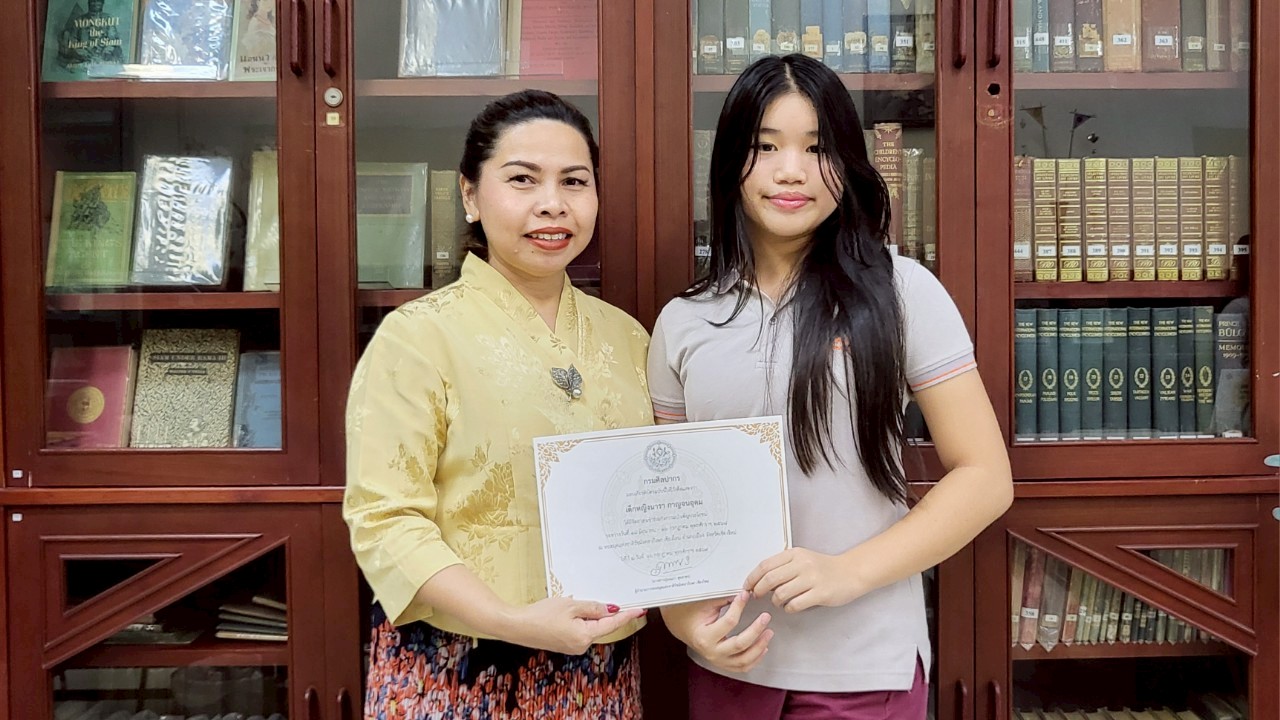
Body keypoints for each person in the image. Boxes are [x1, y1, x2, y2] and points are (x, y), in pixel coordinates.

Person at [648, 54, 1013, 719]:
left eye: (817, 149)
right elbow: (671, 508)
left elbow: (986, 478)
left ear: (847, 163)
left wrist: (847, 572)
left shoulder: (904, 292)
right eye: (765, 147)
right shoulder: (684, 321)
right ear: (729, 164)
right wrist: (681, 621)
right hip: (728, 664)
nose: (791, 170)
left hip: (863, 667)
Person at [344, 89, 650, 719]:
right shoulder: (417, 337)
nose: (552, 203)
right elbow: (384, 518)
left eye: (574, 181)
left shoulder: (627, 337)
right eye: (522, 179)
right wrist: (510, 620)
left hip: (599, 667)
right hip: (456, 666)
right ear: (470, 195)